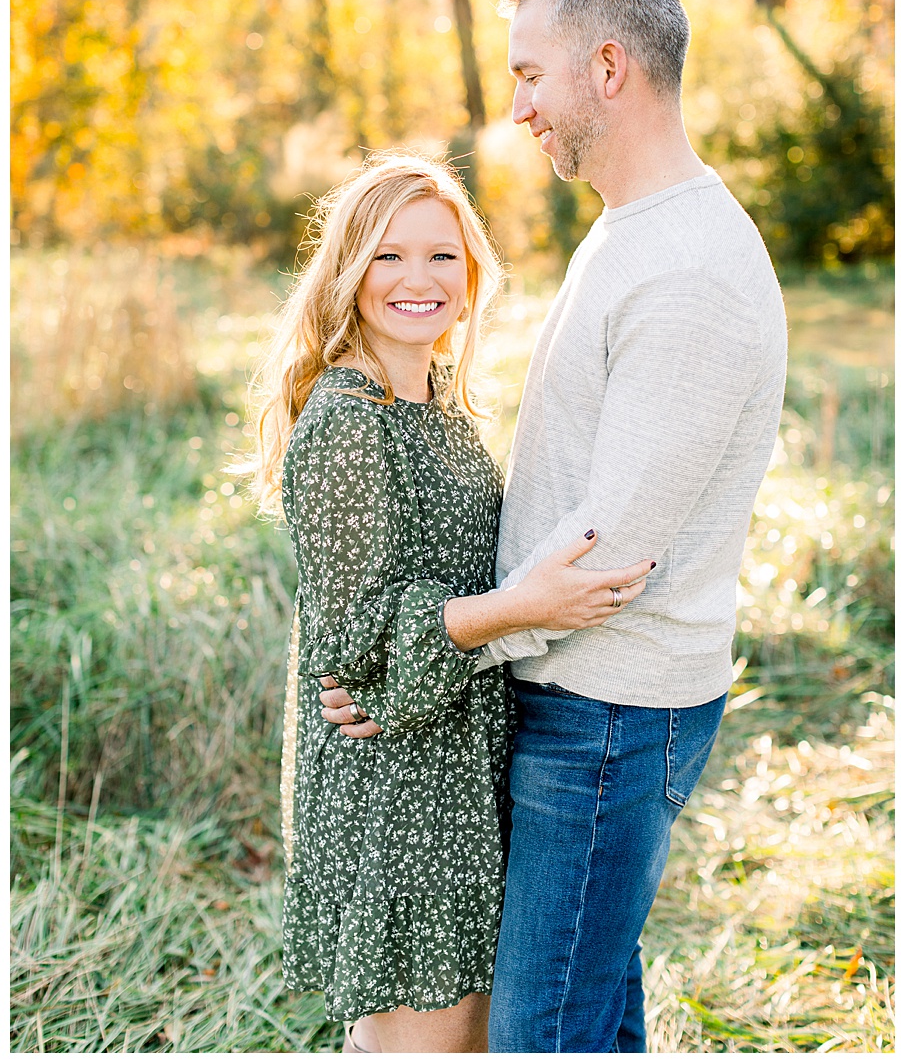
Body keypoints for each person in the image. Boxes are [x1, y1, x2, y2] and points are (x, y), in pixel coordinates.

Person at [320, 0, 788, 1051]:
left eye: (532, 75)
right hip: (586, 700)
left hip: (609, 714)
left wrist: (423, 656)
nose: (516, 106)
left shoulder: (687, 269)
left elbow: (608, 557)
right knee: (587, 1003)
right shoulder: (637, 227)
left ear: (609, 67)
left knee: (546, 1031)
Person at [251, 154, 654, 1053]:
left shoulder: (434, 402)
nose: (418, 280)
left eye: (443, 257)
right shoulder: (349, 424)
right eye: (389, 257)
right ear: (349, 273)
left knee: (466, 1034)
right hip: (396, 785)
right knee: (427, 1040)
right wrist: (521, 605)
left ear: (472, 277)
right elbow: (360, 642)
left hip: (458, 761)